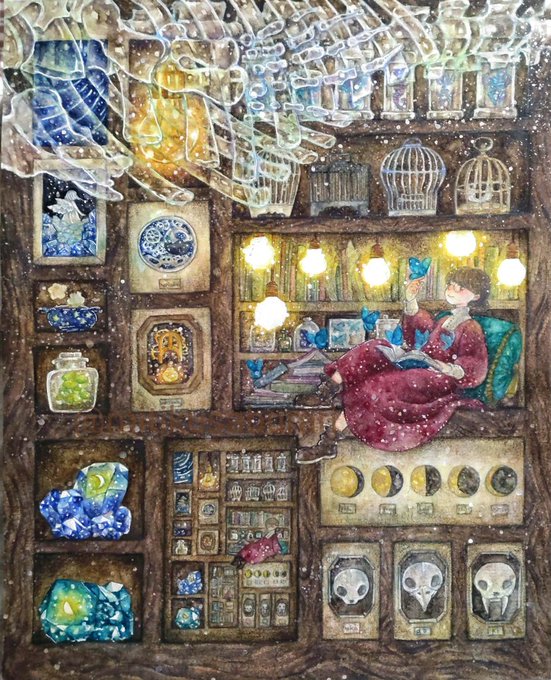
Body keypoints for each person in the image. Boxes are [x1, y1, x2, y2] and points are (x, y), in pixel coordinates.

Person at [295, 267, 490, 463]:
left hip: (440, 379)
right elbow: (421, 333)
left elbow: (474, 366)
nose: (452, 289)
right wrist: (411, 300)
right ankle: (325, 391)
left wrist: (446, 367)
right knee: (372, 348)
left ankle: (330, 440)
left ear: (476, 296)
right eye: (451, 285)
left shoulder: (471, 327)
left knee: (376, 384)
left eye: (460, 288)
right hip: (420, 365)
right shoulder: (445, 319)